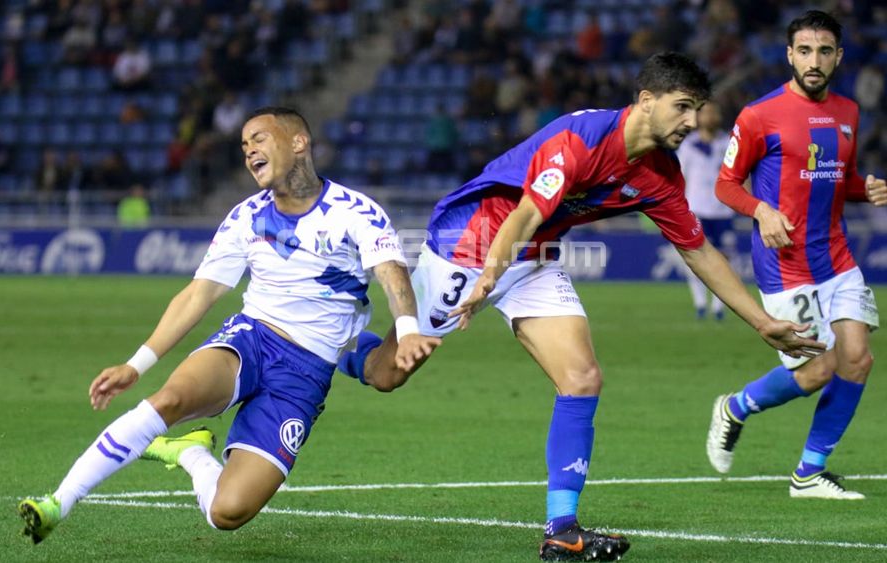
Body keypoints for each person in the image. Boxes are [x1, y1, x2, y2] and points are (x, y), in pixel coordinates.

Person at [336, 52, 825, 562]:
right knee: (388, 374)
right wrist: (489, 275)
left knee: (583, 378)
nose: (692, 121)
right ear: (645, 101)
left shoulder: (660, 175)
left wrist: (762, 322)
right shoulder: (581, 140)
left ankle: (561, 529)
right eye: (682, 107)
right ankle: (339, 344)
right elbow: (526, 212)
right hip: (474, 241)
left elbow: (697, 249)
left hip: (536, 257)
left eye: (697, 109)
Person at [17, 107, 441, 543]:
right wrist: (136, 365)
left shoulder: (354, 212)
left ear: (298, 142)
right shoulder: (245, 217)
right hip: (253, 337)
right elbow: (199, 293)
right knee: (170, 400)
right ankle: (56, 504)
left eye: (258, 138)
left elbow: (392, 273)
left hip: (304, 375)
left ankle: (192, 453)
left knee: (227, 512)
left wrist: (407, 329)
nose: (249, 151)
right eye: (243, 146)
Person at [706, 10, 887, 499]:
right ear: (789, 55)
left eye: (824, 51)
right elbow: (725, 185)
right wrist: (762, 209)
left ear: (838, 57)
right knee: (818, 370)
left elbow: (832, 179)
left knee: (858, 359)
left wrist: (863, 189)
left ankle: (809, 472)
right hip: (785, 261)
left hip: (836, 256)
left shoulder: (849, 113)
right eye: (804, 51)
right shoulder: (758, 115)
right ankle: (736, 407)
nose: (814, 60)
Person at [675, 100, 735, 320]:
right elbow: (679, 177)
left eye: (714, 112)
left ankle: (719, 306)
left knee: (725, 259)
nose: (710, 116)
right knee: (698, 258)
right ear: (698, 117)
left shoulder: (728, 142)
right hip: (697, 210)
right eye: (706, 112)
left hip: (723, 211)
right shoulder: (688, 145)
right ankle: (700, 303)